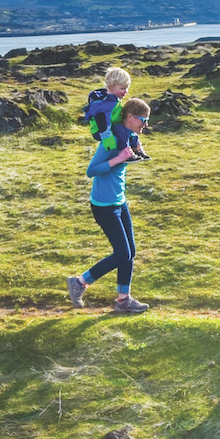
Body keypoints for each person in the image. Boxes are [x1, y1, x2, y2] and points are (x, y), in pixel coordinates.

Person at [69, 96, 151, 313]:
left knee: (130, 252)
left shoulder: (127, 137)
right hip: (104, 206)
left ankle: (124, 300)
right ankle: (79, 283)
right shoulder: (112, 141)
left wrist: (135, 153)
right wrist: (118, 158)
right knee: (122, 253)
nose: (145, 125)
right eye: (143, 119)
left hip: (119, 202)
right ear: (130, 117)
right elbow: (91, 171)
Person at [82, 67, 135, 155]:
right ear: (111, 87)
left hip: (111, 125)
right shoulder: (106, 104)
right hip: (99, 131)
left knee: (128, 126)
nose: (126, 91)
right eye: (122, 88)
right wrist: (109, 144)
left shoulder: (114, 100)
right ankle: (124, 153)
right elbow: (103, 124)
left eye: (127, 88)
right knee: (120, 129)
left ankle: (135, 149)